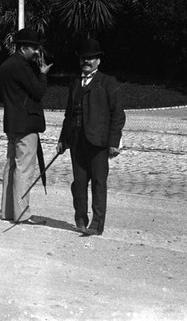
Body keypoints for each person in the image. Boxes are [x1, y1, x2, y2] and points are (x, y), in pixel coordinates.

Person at [57, 38, 125, 236]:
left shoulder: (108, 83)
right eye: (83, 59)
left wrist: (113, 143)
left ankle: (97, 223)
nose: (86, 62)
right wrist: (63, 140)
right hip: (77, 142)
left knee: (98, 182)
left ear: (98, 61)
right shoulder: (75, 83)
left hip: (98, 143)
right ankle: (80, 219)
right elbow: (68, 114)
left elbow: (118, 115)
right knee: (79, 182)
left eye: (91, 59)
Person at [0, 30, 51, 224]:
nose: (36, 52)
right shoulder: (23, 66)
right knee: (24, 170)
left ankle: (8, 211)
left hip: (11, 122)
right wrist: (42, 74)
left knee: (11, 165)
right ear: (23, 48)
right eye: (34, 48)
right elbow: (38, 91)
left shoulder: (4, 66)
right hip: (27, 124)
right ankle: (22, 213)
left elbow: (1, 97)